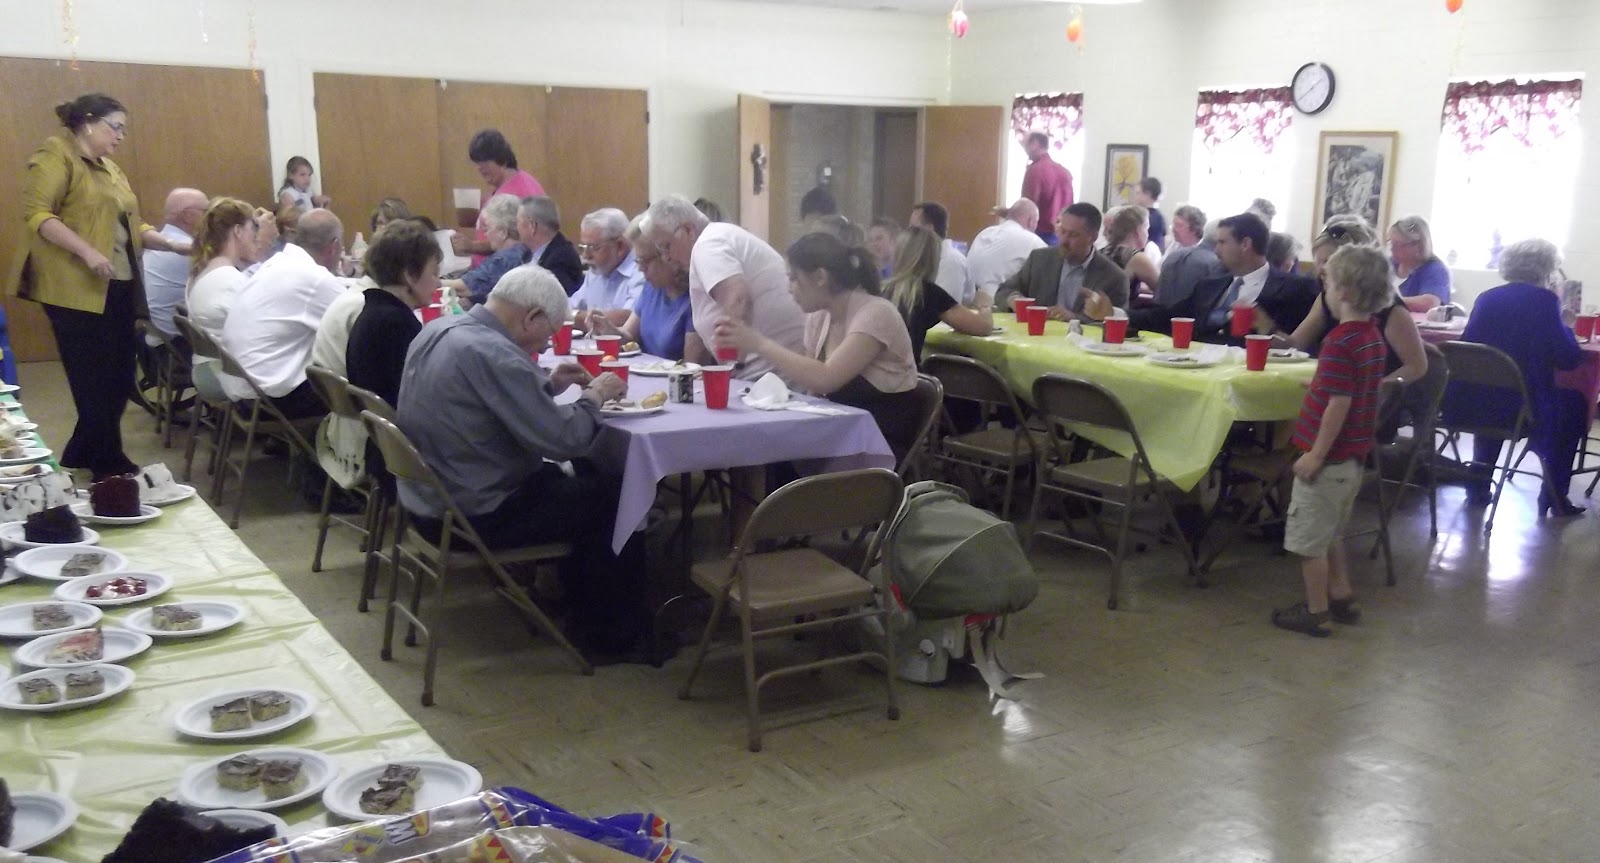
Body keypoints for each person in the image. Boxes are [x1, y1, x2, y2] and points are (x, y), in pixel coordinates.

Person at [395, 264, 651, 662]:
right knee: (621, 501)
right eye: (546, 336)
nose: (541, 349)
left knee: (589, 482)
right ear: (530, 316)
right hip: (475, 514)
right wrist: (595, 395)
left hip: (426, 501)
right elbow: (566, 440)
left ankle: (572, 597)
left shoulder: (440, 329)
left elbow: (482, 402)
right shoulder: (495, 353)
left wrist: (545, 385)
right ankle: (610, 635)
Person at [7, 93, 193, 479]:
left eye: (123, 129)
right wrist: (87, 252)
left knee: (121, 375)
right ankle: (109, 462)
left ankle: (81, 450)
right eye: (116, 126)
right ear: (89, 122)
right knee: (93, 378)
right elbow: (38, 215)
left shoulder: (109, 168)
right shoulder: (55, 155)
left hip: (118, 284)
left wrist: (171, 243)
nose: (121, 136)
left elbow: (131, 223)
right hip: (72, 288)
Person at [1270, 245, 1392, 637]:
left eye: (1329, 281)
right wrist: (1321, 382)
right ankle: (1342, 595)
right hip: (1353, 460)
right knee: (1332, 532)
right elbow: (1352, 385)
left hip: (1329, 459)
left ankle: (1316, 610)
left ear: (1344, 291)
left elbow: (1339, 403)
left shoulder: (1339, 341)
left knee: (1309, 543)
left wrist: (1315, 455)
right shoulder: (1372, 336)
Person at [715, 232, 923, 460]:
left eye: (794, 278)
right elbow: (812, 388)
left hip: (877, 443)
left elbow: (825, 378)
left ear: (820, 277)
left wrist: (759, 343)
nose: (789, 287)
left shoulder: (876, 314)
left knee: (774, 459)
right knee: (761, 447)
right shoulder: (819, 318)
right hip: (840, 432)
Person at [1441, 239, 1586, 516]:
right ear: (1547, 271)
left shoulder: (1487, 297)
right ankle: (1555, 495)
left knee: (1496, 386)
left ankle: (1479, 484)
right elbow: (1569, 358)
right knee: (1575, 404)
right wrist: (1566, 325)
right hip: (1519, 407)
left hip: (1468, 402)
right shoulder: (1545, 302)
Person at [645, 194, 806, 382]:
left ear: (688, 230)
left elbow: (738, 299)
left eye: (667, 246)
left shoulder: (707, 245)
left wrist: (730, 367)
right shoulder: (717, 237)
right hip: (775, 372)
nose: (666, 258)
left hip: (771, 378)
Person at [219, 208, 346, 417]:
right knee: (356, 384)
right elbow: (355, 321)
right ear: (333, 247)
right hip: (269, 400)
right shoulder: (314, 278)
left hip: (241, 391)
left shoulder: (277, 263)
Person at [1276, 216, 1428, 389]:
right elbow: (1295, 345)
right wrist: (1265, 330)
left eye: (1328, 262)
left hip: (1378, 401)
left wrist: (1373, 392)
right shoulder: (1326, 297)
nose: (1321, 271)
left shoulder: (1389, 308)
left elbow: (1417, 366)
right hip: (1340, 390)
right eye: (1318, 262)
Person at [1132, 213, 1318, 343]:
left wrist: (1267, 327)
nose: (1216, 250)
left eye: (1222, 242)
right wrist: (1119, 314)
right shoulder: (1210, 284)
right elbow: (1170, 316)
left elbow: (1300, 346)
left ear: (1245, 244)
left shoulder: (1296, 290)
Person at [346, 220, 440, 409]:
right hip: (403, 434)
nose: (438, 283)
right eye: (434, 273)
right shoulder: (397, 325)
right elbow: (421, 400)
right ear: (410, 276)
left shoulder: (372, 312)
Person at [595, 214, 704, 362]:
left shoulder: (695, 298)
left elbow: (692, 369)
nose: (640, 269)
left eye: (645, 261)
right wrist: (607, 328)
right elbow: (629, 337)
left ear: (668, 255)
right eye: (638, 261)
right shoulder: (652, 288)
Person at [995, 203, 1128, 321]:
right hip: (1035, 338)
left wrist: (1074, 318)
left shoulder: (1114, 277)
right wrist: (1015, 300)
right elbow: (1004, 290)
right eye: (1062, 231)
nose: (1064, 240)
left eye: (1073, 235)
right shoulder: (1039, 259)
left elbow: (1113, 324)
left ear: (1092, 237)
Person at [187, 198, 272, 382]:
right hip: (225, 375)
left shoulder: (204, 269)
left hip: (210, 368)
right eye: (253, 230)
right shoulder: (230, 280)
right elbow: (262, 333)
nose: (255, 238)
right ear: (238, 231)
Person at [884, 226, 995, 360]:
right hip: (907, 375)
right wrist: (984, 306)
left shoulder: (881, 289)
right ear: (932, 258)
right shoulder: (928, 293)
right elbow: (983, 327)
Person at [453, 129, 545, 265]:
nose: (479, 167)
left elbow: (514, 241)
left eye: (484, 161)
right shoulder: (515, 183)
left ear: (501, 159)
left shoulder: (517, 193)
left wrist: (471, 246)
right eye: (477, 162)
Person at [142, 187, 209, 342]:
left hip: (160, 342)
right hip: (179, 343)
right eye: (207, 211)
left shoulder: (160, 241)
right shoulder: (187, 249)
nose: (211, 218)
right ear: (187, 216)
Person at [570, 208, 647, 333]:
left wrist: (572, 317)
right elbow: (571, 305)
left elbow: (627, 318)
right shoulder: (596, 271)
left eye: (593, 247)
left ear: (620, 246)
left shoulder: (642, 269)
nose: (585, 256)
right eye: (583, 247)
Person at [442, 194, 527, 307]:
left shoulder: (505, 259)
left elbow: (464, 287)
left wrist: (429, 281)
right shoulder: (525, 250)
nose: (485, 234)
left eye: (487, 228)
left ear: (503, 232)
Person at [966, 200, 1046, 301]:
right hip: (996, 303)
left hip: (968, 300)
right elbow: (1052, 264)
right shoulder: (1031, 240)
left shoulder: (984, 233)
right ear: (1031, 221)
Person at [1155, 205, 1224, 308]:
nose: (1173, 229)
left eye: (1179, 225)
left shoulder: (1209, 257)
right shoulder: (1174, 247)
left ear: (1194, 228)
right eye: (1173, 225)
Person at [909, 202, 973, 304]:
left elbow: (946, 313)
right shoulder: (922, 257)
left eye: (913, 229)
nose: (909, 234)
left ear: (929, 229)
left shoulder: (950, 262)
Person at [518, 196, 584, 295]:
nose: (516, 227)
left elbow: (556, 302)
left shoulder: (561, 259)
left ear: (532, 226)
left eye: (518, 222)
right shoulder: (526, 254)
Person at [1020, 132, 1074, 245]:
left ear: (1034, 144)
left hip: (1040, 235)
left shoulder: (1034, 171)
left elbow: (1027, 208)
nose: (1024, 150)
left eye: (1025, 145)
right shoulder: (1064, 171)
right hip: (1063, 235)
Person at [1390, 215, 1450, 312]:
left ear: (1418, 245)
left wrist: (1387, 302)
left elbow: (1430, 303)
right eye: (1391, 243)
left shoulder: (1435, 269)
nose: (1392, 249)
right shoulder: (1388, 264)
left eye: (1398, 244)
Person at [1101, 205, 1160, 305]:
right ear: (1138, 231)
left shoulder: (1101, 252)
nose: (1147, 234)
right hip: (1117, 316)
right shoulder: (1136, 258)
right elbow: (1165, 290)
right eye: (1146, 229)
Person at [1134, 177, 1167, 253]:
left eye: (1138, 193)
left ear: (1148, 194)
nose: (1135, 197)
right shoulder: (1160, 217)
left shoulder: (1145, 217)